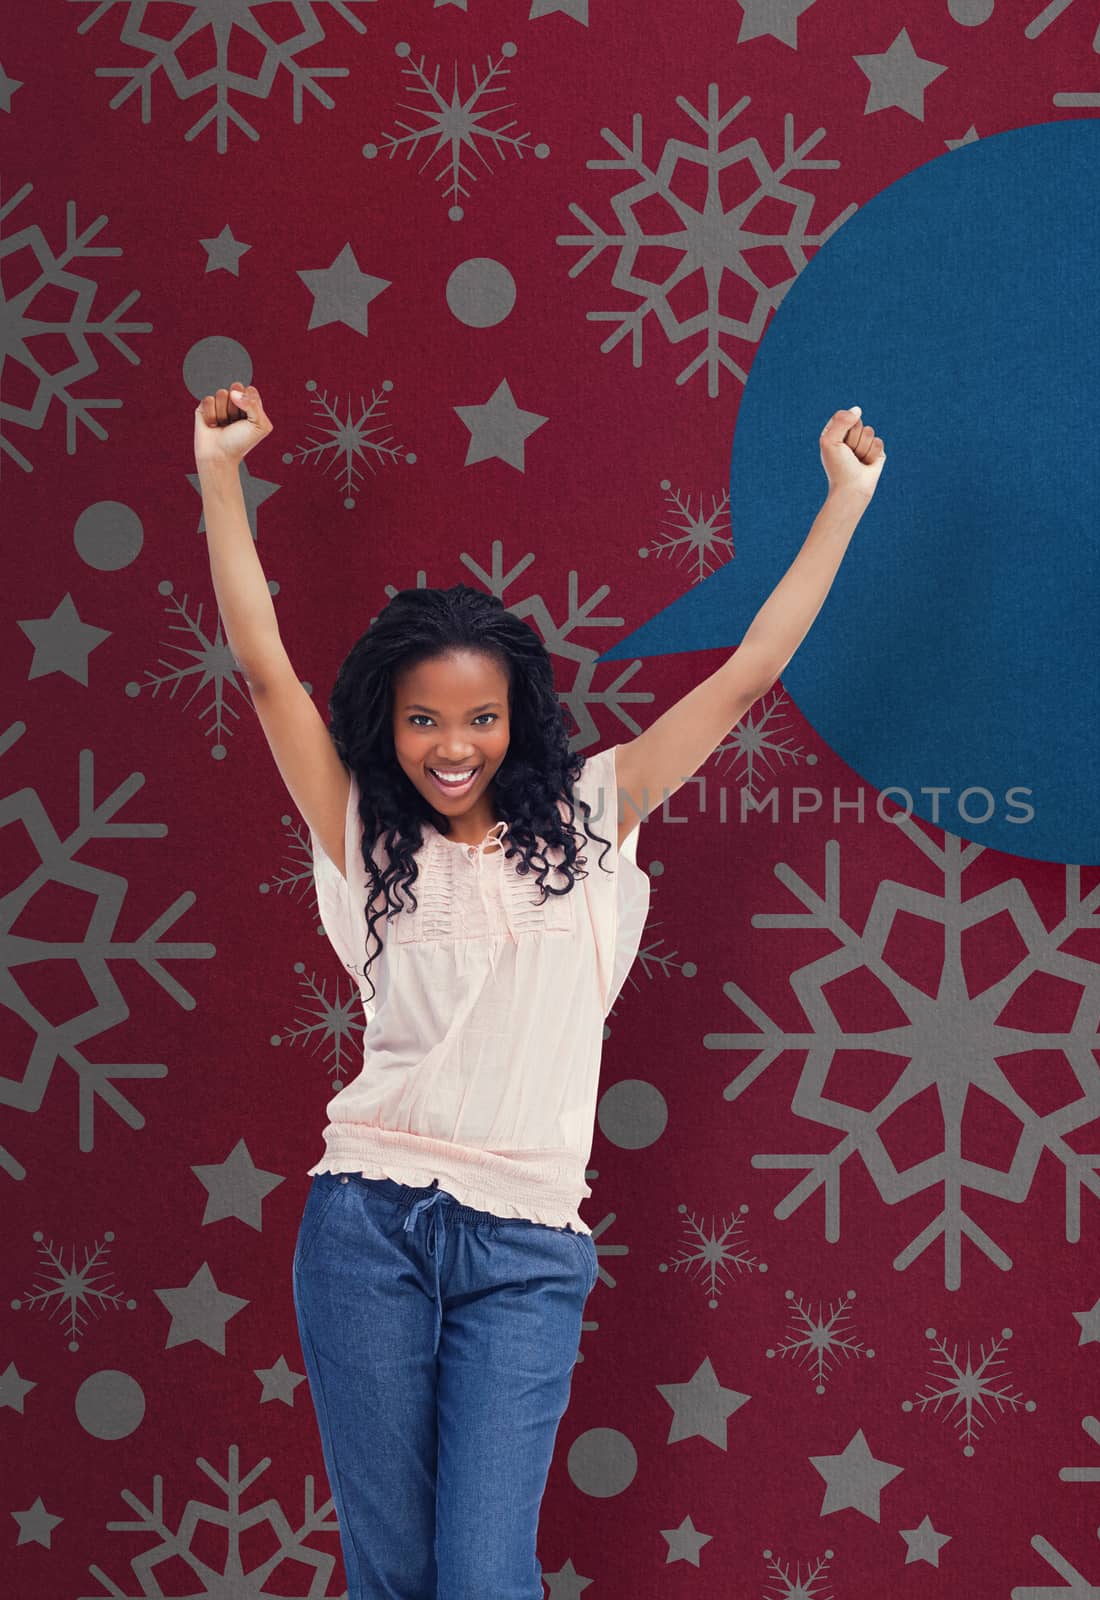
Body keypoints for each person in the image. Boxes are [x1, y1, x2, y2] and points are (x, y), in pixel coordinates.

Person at [193, 381, 885, 1598]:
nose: (449, 744)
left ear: (519, 719)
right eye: (421, 719)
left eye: (477, 716)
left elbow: (746, 669)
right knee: (395, 1576)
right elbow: (263, 672)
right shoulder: (359, 830)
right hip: (366, 1229)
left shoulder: (591, 814)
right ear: (388, 725)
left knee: (483, 1574)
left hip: (525, 1245)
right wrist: (219, 473)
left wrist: (844, 501)